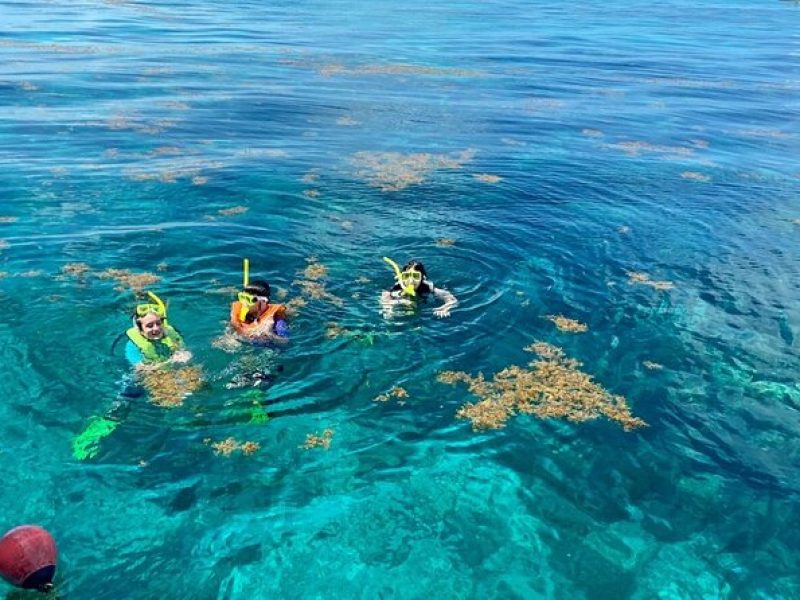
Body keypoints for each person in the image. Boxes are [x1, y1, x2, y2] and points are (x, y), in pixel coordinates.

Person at [72, 291, 191, 460]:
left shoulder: (171, 335)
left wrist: (184, 356)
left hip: (167, 374)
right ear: (140, 329)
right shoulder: (132, 347)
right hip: (138, 381)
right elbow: (142, 369)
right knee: (123, 405)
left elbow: (182, 351)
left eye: (158, 324)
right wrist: (171, 362)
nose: (156, 328)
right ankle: (91, 436)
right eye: (149, 326)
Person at [380, 257, 458, 318]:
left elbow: (452, 300)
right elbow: (385, 302)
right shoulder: (395, 289)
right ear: (402, 277)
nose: (411, 280)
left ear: (422, 278)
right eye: (406, 276)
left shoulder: (428, 288)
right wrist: (398, 303)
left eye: (415, 276)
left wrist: (445, 308)